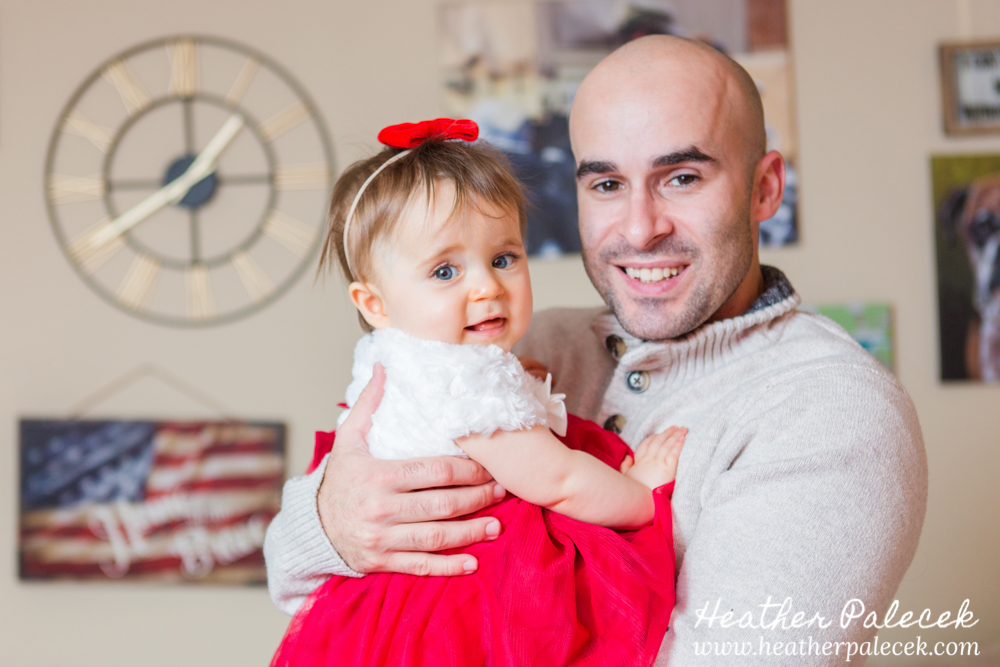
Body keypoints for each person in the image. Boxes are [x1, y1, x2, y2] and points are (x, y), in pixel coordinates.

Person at [265, 36, 928, 664]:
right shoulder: (532, 345)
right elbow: (293, 579)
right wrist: (330, 519)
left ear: (764, 189)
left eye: (682, 177)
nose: (641, 228)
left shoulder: (831, 409)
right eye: (606, 184)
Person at [269, 118, 687, 666]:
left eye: (503, 258)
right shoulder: (464, 382)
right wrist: (640, 493)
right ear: (374, 304)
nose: (487, 286)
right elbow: (558, 481)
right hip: (458, 606)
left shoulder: (396, 357)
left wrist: (517, 384)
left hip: (379, 605)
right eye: (445, 271)